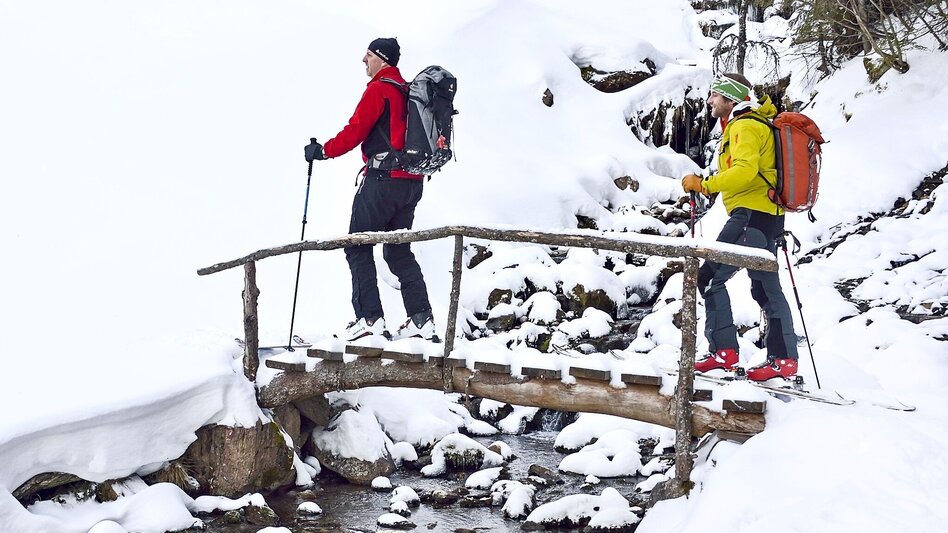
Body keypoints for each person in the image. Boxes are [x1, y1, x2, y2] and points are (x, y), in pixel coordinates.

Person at [304, 37, 437, 342]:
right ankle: (421, 320)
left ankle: (369, 320)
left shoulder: (380, 89)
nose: (363, 61)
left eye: (368, 56)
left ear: (382, 59)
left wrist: (324, 151)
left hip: (381, 182)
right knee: (399, 251)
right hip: (412, 183)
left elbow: (356, 130)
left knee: (358, 245)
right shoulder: (409, 92)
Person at [681, 73, 799, 381]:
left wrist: (706, 185)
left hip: (750, 214)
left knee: (708, 277)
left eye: (716, 95)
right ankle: (783, 360)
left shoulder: (744, 125)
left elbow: (745, 172)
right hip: (768, 216)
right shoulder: (756, 123)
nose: (710, 101)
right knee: (764, 286)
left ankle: (724, 353)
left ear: (730, 99)